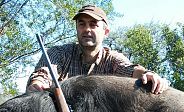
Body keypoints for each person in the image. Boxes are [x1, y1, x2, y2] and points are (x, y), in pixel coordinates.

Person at [27, 5, 169, 94]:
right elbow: (43, 74)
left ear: (106, 32)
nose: (87, 29)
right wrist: (37, 84)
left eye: (93, 25)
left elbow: (131, 69)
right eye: (81, 24)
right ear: (77, 29)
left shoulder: (112, 58)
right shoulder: (59, 53)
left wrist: (149, 74)